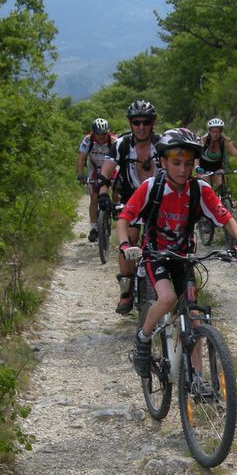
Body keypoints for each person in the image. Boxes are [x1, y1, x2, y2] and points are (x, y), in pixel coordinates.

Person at [116, 128, 237, 378]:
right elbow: (124, 218)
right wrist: (126, 245)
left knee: (193, 317)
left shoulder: (200, 189)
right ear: (164, 162)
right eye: (176, 163)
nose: (182, 169)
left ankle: (198, 379)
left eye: (188, 164)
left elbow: (225, 217)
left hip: (184, 257)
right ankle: (143, 338)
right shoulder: (151, 187)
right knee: (167, 299)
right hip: (155, 255)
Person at [98, 100, 161, 314]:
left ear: (152, 123)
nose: (141, 127)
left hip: (159, 200)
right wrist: (103, 195)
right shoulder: (121, 145)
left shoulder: (162, 144)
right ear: (130, 123)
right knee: (128, 242)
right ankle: (126, 293)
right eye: (136, 122)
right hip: (131, 200)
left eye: (146, 122)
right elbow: (105, 172)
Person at [76, 118, 116, 242]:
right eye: (99, 134)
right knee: (94, 198)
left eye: (105, 133)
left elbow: (121, 158)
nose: (102, 136)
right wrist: (80, 174)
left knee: (117, 190)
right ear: (94, 132)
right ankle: (93, 228)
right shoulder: (88, 140)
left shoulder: (113, 140)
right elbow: (81, 158)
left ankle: (115, 210)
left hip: (111, 168)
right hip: (95, 169)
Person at [199, 117, 237, 191]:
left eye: (217, 132)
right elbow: (196, 156)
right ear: (209, 131)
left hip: (217, 167)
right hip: (203, 168)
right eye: (213, 132)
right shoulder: (204, 139)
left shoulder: (224, 141)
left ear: (221, 132)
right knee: (206, 189)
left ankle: (227, 201)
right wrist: (197, 167)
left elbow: (236, 153)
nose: (215, 134)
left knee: (222, 186)